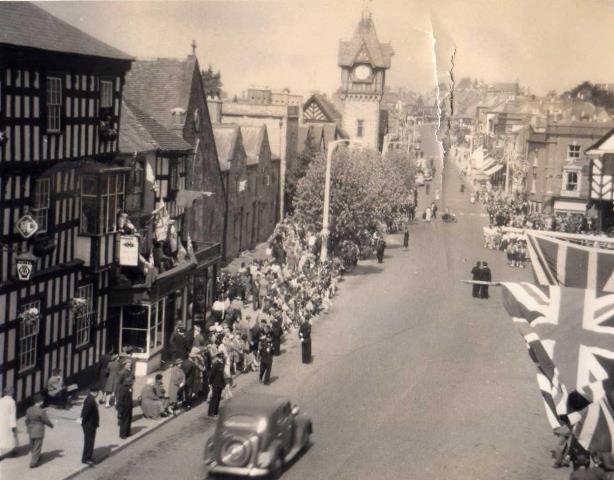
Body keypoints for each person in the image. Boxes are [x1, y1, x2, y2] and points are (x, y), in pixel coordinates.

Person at [25, 394, 54, 468]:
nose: (43, 402)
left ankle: (36, 456)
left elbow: (26, 420)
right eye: (42, 400)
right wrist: (51, 425)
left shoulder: (29, 409)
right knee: (37, 446)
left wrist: (28, 427)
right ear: (39, 401)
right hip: (39, 430)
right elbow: (46, 420)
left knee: (32, 445)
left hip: (31, 429)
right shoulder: (41, 411)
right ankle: (33, 463)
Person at [80, 386, 99, 466]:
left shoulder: (90, 399)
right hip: (89, 425)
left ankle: (89, 456)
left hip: (91, 424)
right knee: (89, 442)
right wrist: (82, 421)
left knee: (90, 441)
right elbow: (85, 413)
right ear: (94, 392)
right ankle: (86, 458)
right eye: (97, 392)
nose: (98, 394)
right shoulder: (90, 400)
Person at [0, 386, 17, 460]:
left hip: (1, 420)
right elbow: (12, 414)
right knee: (12, 436)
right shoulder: (12, 401)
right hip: (7, 422)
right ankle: (13, 450)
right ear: (11, 393)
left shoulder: (1, 400)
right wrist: (13, 425)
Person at [208, 353, 226, 417]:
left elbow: (222, 376)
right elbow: (212, 375)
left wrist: (224, 384)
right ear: (218, 358)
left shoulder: (222, 364)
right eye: (220, 358)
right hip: (215, 384)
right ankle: (211, 413)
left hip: (220, 384)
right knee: (214, 398)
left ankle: (215, 412)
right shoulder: (215, 365)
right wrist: (210, 383)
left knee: (218, 398)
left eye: (222, 358)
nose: (221, 359)